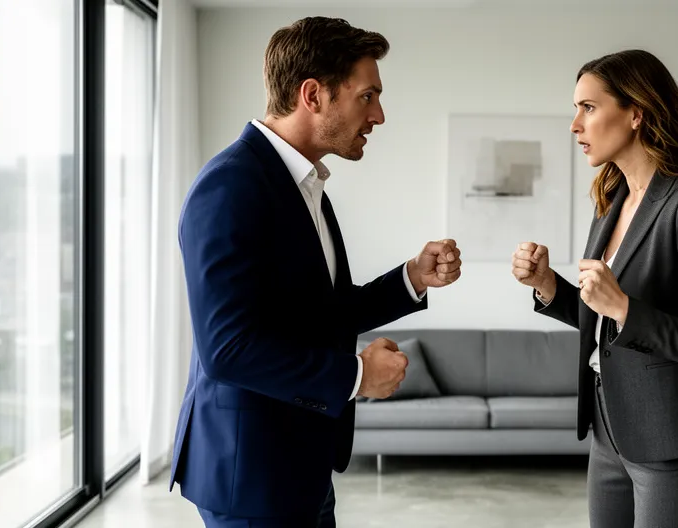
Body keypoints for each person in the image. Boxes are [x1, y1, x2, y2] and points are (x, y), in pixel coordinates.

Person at [169, 16, 463, 527]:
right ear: (313, 95)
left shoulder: (305, 186)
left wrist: (412, 278)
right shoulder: (230, 187)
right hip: (251, 477)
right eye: (367, 97)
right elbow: (227, 349)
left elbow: (323, 311)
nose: (379, 115)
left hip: (301, 463)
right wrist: (358, 375)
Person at [511, 49, 678, 528]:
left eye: (588, 107)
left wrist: (623, 307)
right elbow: (604, 320)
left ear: (636, 113)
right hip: (609, 430)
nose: (575, 125)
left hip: (676, 439)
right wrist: (547, 285)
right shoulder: (611, 200)